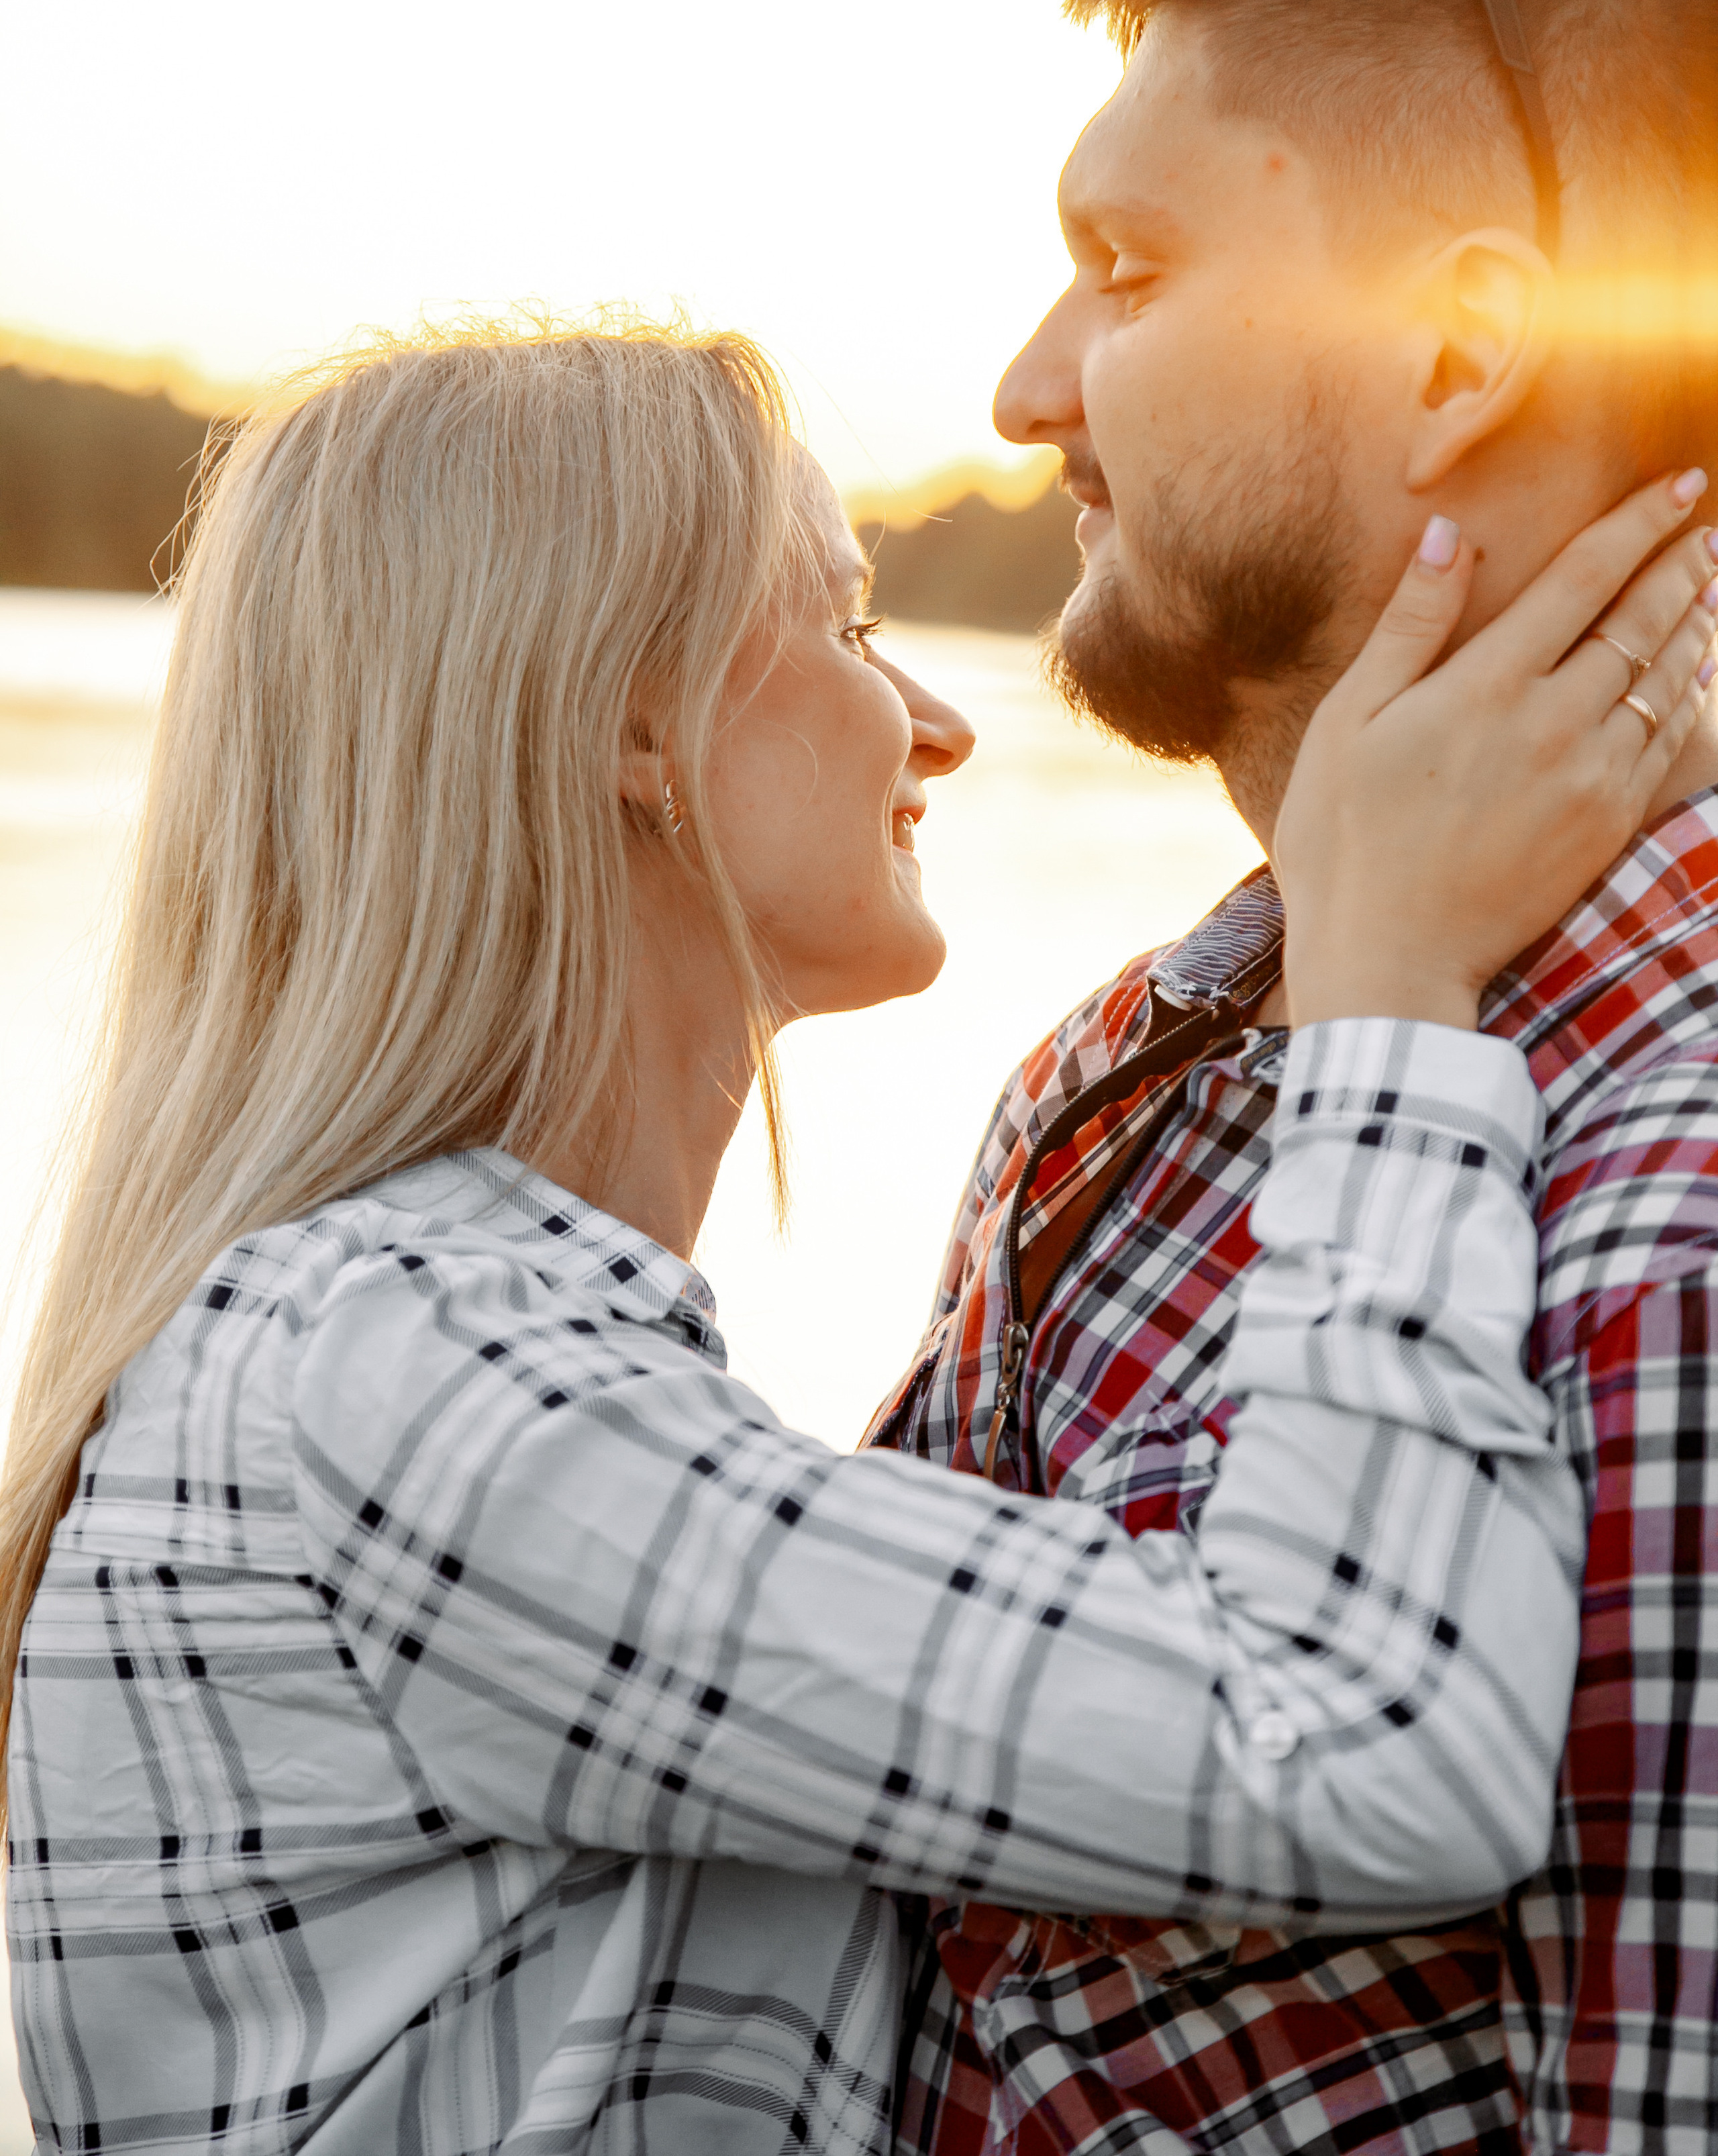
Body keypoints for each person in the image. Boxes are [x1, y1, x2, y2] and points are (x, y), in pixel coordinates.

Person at [0, 326, 1705, 2156]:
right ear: (634, 721)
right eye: (849, 623)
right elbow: (1358, 1751)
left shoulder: (424, 1355)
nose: (943, 725)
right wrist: (1390, 984)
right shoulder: (405, 1380)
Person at [868, 0, 1718, 2156]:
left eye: (1130, 273)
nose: (1027, 389)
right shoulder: (1123, 1072)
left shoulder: (1675, 1229)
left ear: (1459, 354)